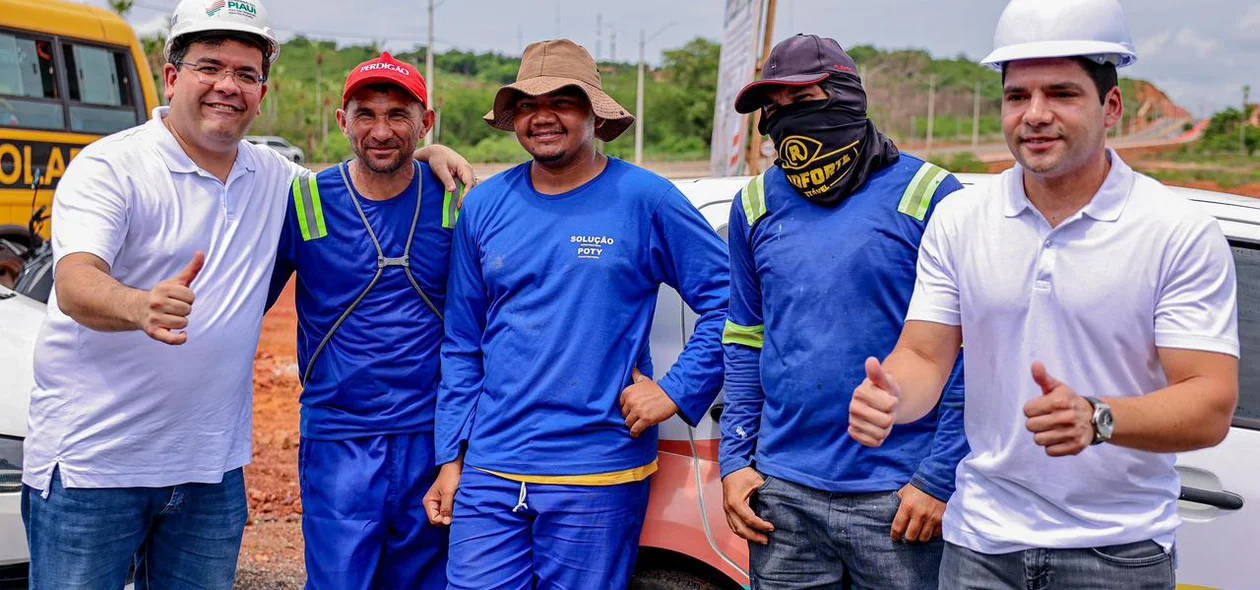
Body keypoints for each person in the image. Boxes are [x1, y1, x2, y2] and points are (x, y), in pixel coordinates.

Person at [20, 1, 472, 587]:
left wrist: (427, 154)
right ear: (173, 76)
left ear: (261, 91)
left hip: (209, 471)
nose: (227, 87)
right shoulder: (111, 166)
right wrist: (138, 305)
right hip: (95, 466)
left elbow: (370, 178)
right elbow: (77, 282)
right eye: (210, 67)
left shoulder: (278, 181)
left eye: (246, 74)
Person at [848, 1, 1239, 588]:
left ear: (1111, 107)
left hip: (1116, 551)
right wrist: (892, 397)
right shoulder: (960, 219)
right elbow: (927, 356)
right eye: (1017, 96)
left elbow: (1210, 402)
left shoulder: (1175, 230)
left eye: (1061, 93)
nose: (1035, 115)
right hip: (979, 544)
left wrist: (1100, 418)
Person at [423, 39, 729, 589]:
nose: (543, 116)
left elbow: (732, 301)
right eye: (527, 104)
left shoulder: (645, 200)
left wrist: (677, 389)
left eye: (562, 100)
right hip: (491, 469)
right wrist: (451, 457)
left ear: (594, 111)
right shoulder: (485, 205)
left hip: (599, 469)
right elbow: (463, 342)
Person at [719, 34, 967, 589]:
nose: (785, 122)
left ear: (846, 97)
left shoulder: (932, 196)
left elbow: (973, 349)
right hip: (782, 496)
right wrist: (735, 462)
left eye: (801, 102)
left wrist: (938, 477)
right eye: (773, 110)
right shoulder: (756, 203)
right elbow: (744, 336)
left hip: (899, 498)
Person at [266, 52, 459, 590]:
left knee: (427, 581)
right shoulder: (305, 202)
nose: (380, 130)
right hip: (340, 439)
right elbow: (245, 303)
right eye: (365, 114)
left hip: (432, 438)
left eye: (398, 115)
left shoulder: (453, 201)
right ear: (341, 121)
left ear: (426, 122)